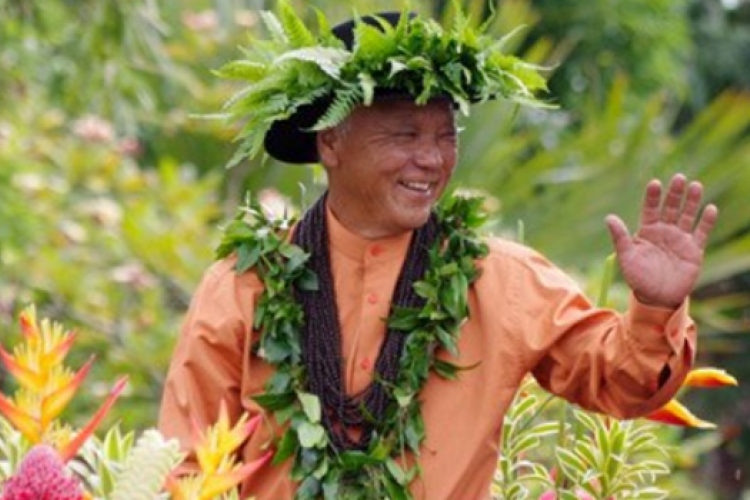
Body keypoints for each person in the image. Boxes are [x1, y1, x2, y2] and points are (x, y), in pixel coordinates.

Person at [158, 7, 719, 500]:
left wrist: (655, 309)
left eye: (445, 136)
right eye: (404, 136)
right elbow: (184, 469)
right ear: (329, 142)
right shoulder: (244, 284)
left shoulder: (503, 279)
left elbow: (620, 383)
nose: (432, 159)